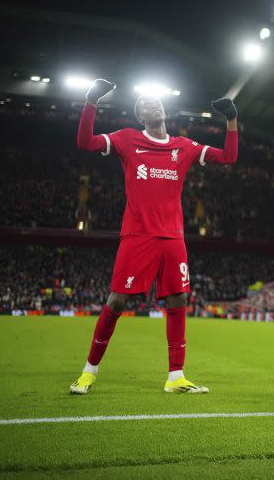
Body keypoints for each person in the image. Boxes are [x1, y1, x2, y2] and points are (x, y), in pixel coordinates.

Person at [70, 79, 238, 394]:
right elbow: (85, 143)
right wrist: (91, 101)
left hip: (174, 238)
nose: (155, 105)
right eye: (147, 104)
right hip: (138, 235)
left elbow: (228, 157)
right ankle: (89, 372)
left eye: (158, 101)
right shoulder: (126, 139)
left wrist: (231, 120)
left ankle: (176, 377)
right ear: (141, 116)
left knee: (179, 299)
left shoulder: (184, 146)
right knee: (117, 300)